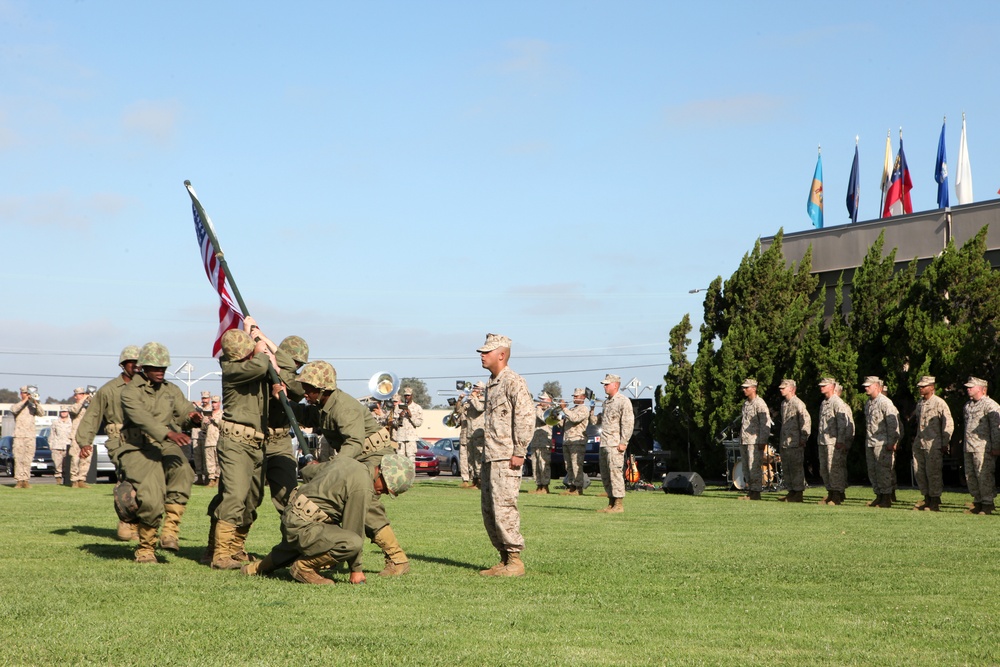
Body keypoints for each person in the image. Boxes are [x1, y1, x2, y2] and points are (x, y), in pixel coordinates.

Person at [291, 360, 412, 576]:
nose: (305, 393)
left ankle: (397, 559)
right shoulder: (323, 407)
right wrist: (280, 401)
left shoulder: (343, 407)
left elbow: (354, 443)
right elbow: (306, 415)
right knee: (349, 499)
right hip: (359, 457)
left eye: (309, 389)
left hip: (373, 457)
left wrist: (331, 471)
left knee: (364, 502)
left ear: (322, 389)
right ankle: (333, 552)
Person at [241, 452, 415, 584]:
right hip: (306, 526)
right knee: (352, 542)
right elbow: (353, 528)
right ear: (381, 474)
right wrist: (356, 570)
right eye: (385, 489)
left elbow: (310, 471)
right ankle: (303, 568)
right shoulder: (362, 486)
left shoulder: (346, 462)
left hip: (293, 517)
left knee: (287, 551)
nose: (382, 493)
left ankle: (254, 569)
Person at [119, 342, 200, 562]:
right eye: (156, 368)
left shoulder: (171, 389)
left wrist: (192, 417)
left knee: (184, 471)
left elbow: (183, 410)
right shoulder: (129, 392)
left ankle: (170, 530)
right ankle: (145, 548)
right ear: (143, 367)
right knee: (152, 496)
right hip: (138, 447)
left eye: (163, 368)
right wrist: (168, 433)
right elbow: (141, 418)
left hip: (165, 444)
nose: (160, 371)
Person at [205, 323, 278, 570]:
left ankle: (236, 548)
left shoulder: (250, 367)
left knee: (252, 498)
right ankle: (220, 553)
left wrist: (263, 340)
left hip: (256, 442)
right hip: (236, 443)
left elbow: (282, 367)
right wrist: (260, 350)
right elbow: (260, 364)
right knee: (234, 496)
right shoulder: (233, 368)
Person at [477, 333, 533, 577]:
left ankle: (515, 560)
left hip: (507, 456)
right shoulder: (492, 383)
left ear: (501, 354)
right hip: (491, 455)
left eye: (486, 352)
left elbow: (525, 416)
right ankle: (503, 557)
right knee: (489, 509)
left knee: (504, 508)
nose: (482, 355)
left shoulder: (513, 381)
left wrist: (519, 450)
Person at [76, 345, 141, 541]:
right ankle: (126, 520)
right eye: (132, 362)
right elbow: (93, 415)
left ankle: (138, 523)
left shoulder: (147, 388)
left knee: (146, 483)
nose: (137, 366)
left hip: (144, 441)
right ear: (123, 365)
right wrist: (85, 442)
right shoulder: (109, 390)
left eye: (140, 363)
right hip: (118, 441)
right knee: (127, 479)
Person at [911, 376, 954, 512]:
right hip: (920, 442)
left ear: (931, 387)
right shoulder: (920, 403)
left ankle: (935, 501)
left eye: (923, 386)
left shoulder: (939, 403)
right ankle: (927, 498)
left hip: (933, 444)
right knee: (919, 471)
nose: (920, 389)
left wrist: (944, 443)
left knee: (933, 472)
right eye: (920, 386)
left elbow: (948, 424)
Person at [961, 376, 1000, 515]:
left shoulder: (991, 405)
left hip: (983, 448)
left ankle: (987, 503)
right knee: (970, 476)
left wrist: (996, 446)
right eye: (968, 387)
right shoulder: (968, 405)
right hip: (969, 446)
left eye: (971, 387)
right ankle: (977, 501)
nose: (968, 389)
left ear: (982, 389)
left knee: (984, 476)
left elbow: (996, 428)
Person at [596, 374, 635, 513]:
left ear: (615, 385)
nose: (604, 386)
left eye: (607, 384)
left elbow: (628, 423)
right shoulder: (606, 402)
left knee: (615, 473)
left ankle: (618, 504)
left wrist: (624, 441)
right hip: (605, 443)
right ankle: (611, 502)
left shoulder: (623, 401)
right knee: (605, 474)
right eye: (604, 384)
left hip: (615, 444)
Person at [862, 376, 901, 508]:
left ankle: (886, 498)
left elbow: (893, 424)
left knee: (884, 471)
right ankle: (878, 496)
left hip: (883, 443)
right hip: (871, 442)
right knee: (873, 471)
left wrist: (892, 441)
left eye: (869, 385)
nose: (866, 387)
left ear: (877, 386)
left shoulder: (885, 402)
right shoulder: (869, 403)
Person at [816, 378, 854, 506]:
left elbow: (842, 423)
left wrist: (841, 440)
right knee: (824, 469)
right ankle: (830, 493)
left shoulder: (837, 402)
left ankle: (837, 495)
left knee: (834, 469)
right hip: (823, 441)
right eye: (821, 385)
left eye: (824, 385)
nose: (821, 387)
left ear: (832, 386)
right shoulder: (824, 403)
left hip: (833, 442)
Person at [777, 379, 811, 503]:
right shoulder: (784, 404)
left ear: (791, 389)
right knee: (787, 468)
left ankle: (798, 493)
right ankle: (791, 492)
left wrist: (803, 438)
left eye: (783, 388)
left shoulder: (798, 403)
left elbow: (806, 421)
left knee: (796, 468)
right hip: (786, 442)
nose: (781, 390)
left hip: (795, 442)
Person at [739, 378, 770, 501]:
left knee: (754, 467)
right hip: (745, 440)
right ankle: (750, 491)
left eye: (747, 387)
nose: (744, 389)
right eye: (743, 387)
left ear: (754, 388)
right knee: (746, 467)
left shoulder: (760, 403)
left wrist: (763, 440)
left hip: (755, 441)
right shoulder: (746, 404)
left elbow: (765, 423)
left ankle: (756, 492)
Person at [560, 388, 595, 496]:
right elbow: (564, 424)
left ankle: (578, 487)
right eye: (574, 396)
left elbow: (575, 419)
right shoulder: (572, 409)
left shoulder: (583, 409)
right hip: (567, 440)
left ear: (583, 397)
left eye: (576, 396)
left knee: (576, 465)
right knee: (568, 465)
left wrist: (564, 409)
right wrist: (556, 418)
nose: (574, 398)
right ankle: (571, 486)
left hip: (577, 441)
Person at [10, 386, 44, 489]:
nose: (27, 395)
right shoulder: (18, 405)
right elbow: (13, 410)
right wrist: (25, 400)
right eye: (25, 393)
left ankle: (26, 480)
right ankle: (19, 480)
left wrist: (35, 402)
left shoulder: (32, 406)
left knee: (28, 459)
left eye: (28, 393)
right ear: (21, 394)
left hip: (30, 436)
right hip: (19, 436)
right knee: (19, 458)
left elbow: (42, 413)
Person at [66, 387, 93, 488]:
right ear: (75, 396)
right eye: (80, 394)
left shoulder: (88, 407)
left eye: (83, 394)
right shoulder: (72, 407)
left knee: (86, 458)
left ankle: (82, 479)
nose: (82, 396)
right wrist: (83, 400)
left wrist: (91, 399)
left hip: (87, 436)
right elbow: (75, 410)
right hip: (76, 435)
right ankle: (74, 480)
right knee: (75, 458)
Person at [529, 392, 553, 494]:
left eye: (543, 399)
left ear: (549, 400)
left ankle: (545, 486)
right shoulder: (536, 410)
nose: (541, 401)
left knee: (544, 465)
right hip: (535, 441)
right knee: (535, 465)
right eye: (540, 399)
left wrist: (538, 409)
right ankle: (538, 485)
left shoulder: (551, 411)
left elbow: (544, 419)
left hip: (544, 442)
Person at [198, 396, 222, 487]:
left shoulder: (222, 414)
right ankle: (211, 479)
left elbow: (222, 425)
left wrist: (214, 419)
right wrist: (205, 422)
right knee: (209, 461)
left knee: (218, 461)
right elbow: (203, 428)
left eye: (215, 402)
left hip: (217, 440)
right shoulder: (207, 414)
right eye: (213, 402)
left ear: (219, 403)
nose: (214, 404)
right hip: (209, 441)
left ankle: (218, 479)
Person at [466, 382, 486, 488]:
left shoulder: (484, 400)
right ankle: (474, 479)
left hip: (479, 433)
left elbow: (479, 408)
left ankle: (480, 481)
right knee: (471, 458)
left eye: (476, 388)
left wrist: (474, 398)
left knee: (479, 458)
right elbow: (461, 411)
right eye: (474, 388)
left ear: (482, 390)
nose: (474, 389)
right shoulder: (470, 400)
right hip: (470, 433)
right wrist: (461, 400)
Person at [394, 387, 424, 460]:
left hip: (411, 438)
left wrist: (411, 416)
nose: (407, 397)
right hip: (400, 437)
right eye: (405, 395)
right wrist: (400, 417)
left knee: (411, 458)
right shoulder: (398, 407)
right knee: (400, 459)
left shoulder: (417, 408)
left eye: (408, 395)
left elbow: (418, 423)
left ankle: (411, 472)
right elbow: (394, 423)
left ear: (412, 396)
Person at [191, 391, 212, 485]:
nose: (204, 400)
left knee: (207, 458)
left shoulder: (210, 409)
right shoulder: (197, 408)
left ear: (209, 399)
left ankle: (208, 477)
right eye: (203, 398)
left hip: (206, 436)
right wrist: (194, 404)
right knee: (197, 457)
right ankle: (199, 477)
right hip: (196, 436)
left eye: (206, 398)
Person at [49, 407, 72, 481]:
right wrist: (51, 445)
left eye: (65, 412)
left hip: (68, 446)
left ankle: (66, 479)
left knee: (66, 465)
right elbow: (52, 434)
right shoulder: (55, 422)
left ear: (68, 412)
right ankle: (58, 478)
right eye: (62, 412)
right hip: (57, 446)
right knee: (57, 464)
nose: (63, 413)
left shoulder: (71, 422)